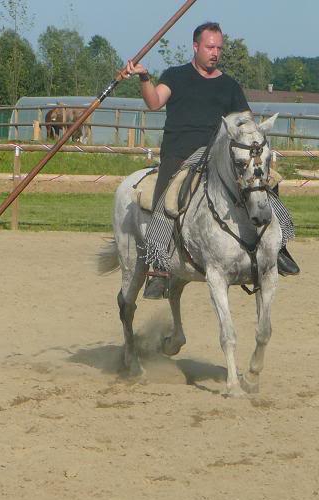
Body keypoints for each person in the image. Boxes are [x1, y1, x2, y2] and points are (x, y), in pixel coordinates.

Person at [127, 22, 299, 299]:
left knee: (265, 183)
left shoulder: (229, 85)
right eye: (210, 47)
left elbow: (245, 120)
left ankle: (279, 248)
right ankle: (158, 267)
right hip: (181, 154)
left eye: (219, 47)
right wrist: (144, 76)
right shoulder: (175, 76)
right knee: (166, 199)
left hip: (218, 156)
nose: (215, 52)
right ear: (195, 47)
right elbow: (154, 102)